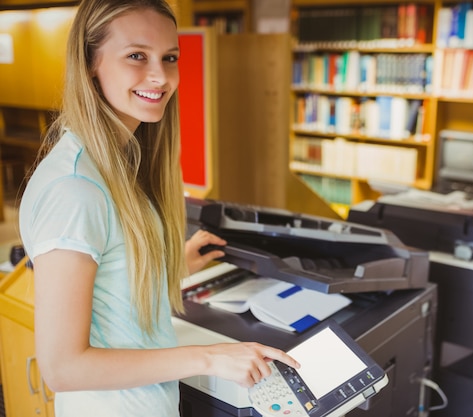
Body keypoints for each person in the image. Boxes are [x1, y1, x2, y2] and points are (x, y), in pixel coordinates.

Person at [18, 0, 299, 416]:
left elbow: (107, 280)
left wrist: (171, 266)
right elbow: (64, 367)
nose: (160, 76)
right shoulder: (75, 189)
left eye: (170, 58)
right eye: (137, 56)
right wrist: (209, 357)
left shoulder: (117, 161)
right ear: (91, 62)